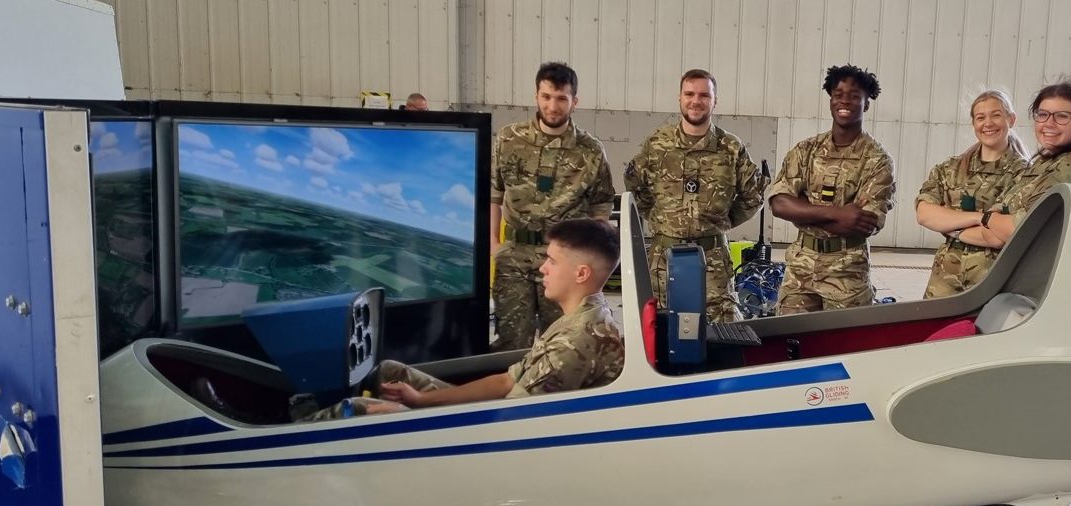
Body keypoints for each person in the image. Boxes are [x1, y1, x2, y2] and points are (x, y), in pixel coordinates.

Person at [303, 219, 624, 420]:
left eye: (552, 261)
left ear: (581, 273)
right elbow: (506, 382)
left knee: (359, 409)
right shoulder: (579, 316)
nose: (542, 268)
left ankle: (295, 431)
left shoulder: (576, 342)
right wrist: (420, 400)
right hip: (501, 412)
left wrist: (403, 413)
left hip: (498, 434)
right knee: (390, 371)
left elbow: (508, 421)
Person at [489, 62, 616, 350]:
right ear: (536, 96)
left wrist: (589, 259)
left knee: (562, 341)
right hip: (515, 255)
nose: (552, 106)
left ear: (574, 101)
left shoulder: (590, 150)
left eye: (561, 98)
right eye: (546, 97)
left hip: (565, 259)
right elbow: (494, 194)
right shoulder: (509, 139)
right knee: (511, 342)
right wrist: (494, 245)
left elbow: (601, 207)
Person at [626, 69, 763, 322]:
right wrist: (659, 218)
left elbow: (753, 195)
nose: (696, 101)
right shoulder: (657, 144)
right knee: (663, 328)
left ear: (714, 101)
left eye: (704, 95)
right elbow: (636, 186)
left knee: (722, 331)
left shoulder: (730, 148)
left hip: (713, 261)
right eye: (689, 94)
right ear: (679, 98)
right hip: (664, 261)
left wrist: (724, 222)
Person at [765, 65, 895, 314]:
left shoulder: (877, 160)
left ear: (866, 104)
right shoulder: (806, 150)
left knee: (844, 338)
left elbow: (863, 224)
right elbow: (779, 204)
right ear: (831, 100)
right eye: (838, 94)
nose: (844, 101)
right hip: (800, 271)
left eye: (854, 96)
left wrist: (802, 210)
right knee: (791, 335)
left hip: (848, 274)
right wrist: (838, 213)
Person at [957, 78, 1071, 249]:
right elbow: (1002, 220)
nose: (1049, 123)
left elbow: (1017, 232)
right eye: (1043, 115)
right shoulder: (1047, 161)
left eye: (1062, 116)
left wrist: (984, 219)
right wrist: (996, 222)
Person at [916, 90, 1030, 299]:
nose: (988, 123)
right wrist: (980, 218)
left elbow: (998, 237)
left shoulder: (1025, 174)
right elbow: (924, 214)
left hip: (995, 278)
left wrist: (949, 224)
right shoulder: (950, 168)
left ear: (1011, 119)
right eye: (980, 117)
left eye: (996, 115)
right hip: (944, 279)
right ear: (973, 124)